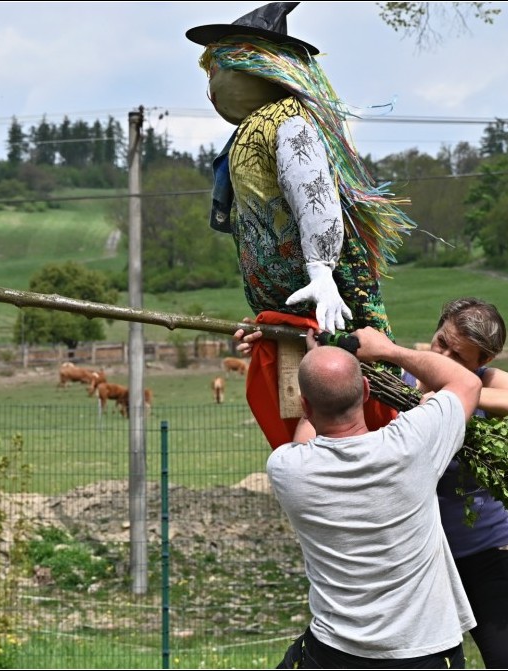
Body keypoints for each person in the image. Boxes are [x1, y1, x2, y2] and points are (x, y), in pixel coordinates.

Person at [186, 2, 415, 446]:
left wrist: (322, 272)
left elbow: (316, 196)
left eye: (218, 67)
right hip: (288, 319)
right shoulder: (248, 132)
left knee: (350, 415)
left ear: (254, 64)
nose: (211, 83)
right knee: (310, 424)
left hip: (325, 311)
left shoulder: (288, 121)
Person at [267, 326, 482, 668]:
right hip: (423, 651)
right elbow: (468, 383)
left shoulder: (286, 468)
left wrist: (317, 360)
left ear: (305, 404)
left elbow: (309, 437)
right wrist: (388, 350)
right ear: (367, 390)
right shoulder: (412, 445)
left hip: (335, 652)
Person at [422, 297, 508, 669]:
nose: (445, 357)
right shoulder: (398, 378)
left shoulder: (488, 381)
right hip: (421, 563)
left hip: (491, 556)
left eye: (459, 357)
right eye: (441, 342)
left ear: (483, 362)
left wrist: (460, 393)